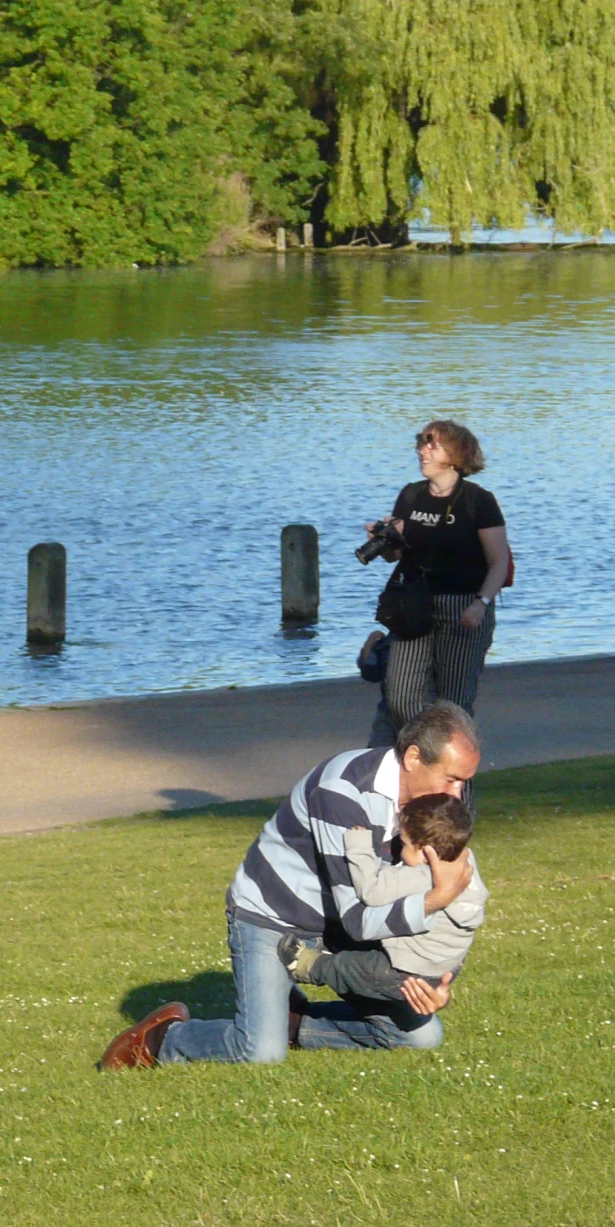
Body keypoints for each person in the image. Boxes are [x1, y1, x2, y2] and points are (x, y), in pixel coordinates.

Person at [98, 702, 480, 1070]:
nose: (457, 795)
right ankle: (159, 1040)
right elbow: (359, 920)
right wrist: (433, 900)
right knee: (259, 1052)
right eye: (451, 779)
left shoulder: (438, 808)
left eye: (464, 782)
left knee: (420, 1038)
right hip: (275, 917)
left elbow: (456, 917)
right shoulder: (343, 790)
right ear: (413, 758)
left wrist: (437, 983)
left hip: (341, 924)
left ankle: (293, 1022)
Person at [366, 421, 514, 748]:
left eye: (432, 445)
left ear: (456, 453)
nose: (422, 451)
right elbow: (395, 556)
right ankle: (426, 753)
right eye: (422, 444)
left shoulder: (478, 501)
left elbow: (499, 562)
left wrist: (481, 603)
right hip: (414, 608)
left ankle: (453, 785)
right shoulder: (410, 495)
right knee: (401, 697)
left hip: (464, 609)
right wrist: (383, 541)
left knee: (454, 706)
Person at [278, 790, 486, 1002]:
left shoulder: (420, 877)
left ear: (426, 853)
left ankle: (305, 965)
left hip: (408, 975)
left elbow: (371, 890)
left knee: (356, 968)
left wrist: (359, 846)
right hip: (446, 967)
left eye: (404, 844)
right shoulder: (467, 864)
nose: (400, 848)